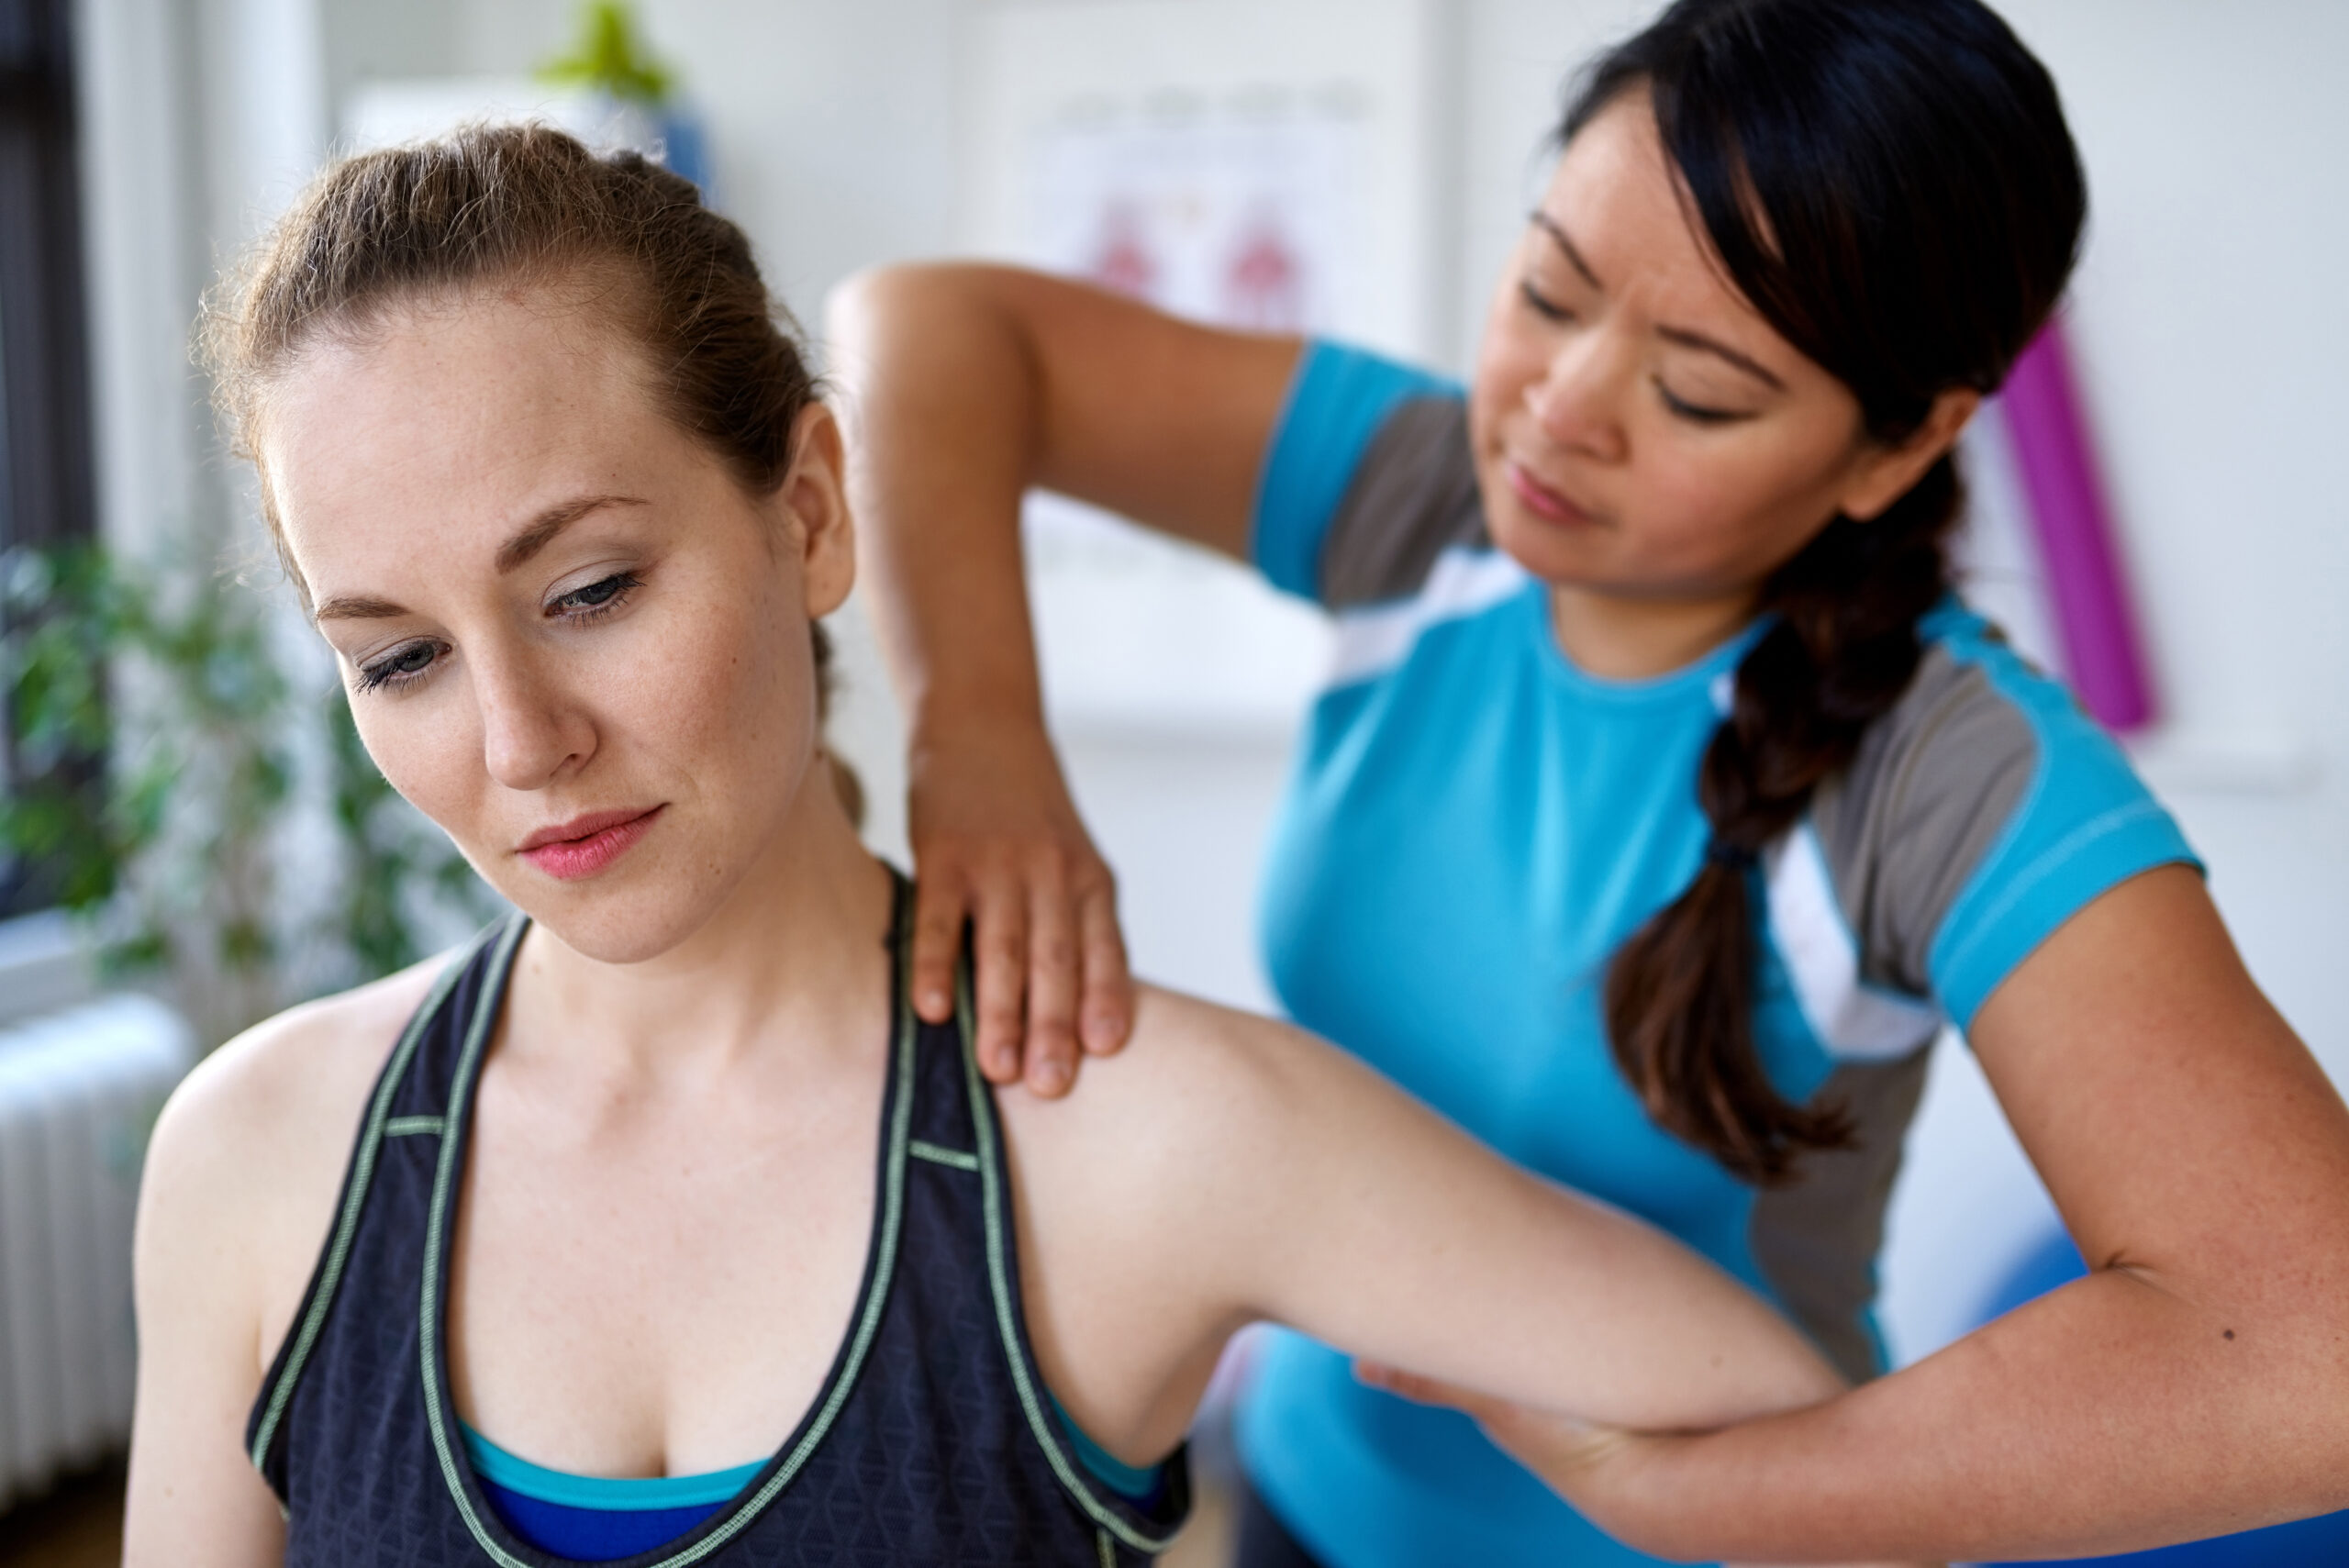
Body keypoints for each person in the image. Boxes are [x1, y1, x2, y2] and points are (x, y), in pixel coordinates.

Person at [118, 124, 1874, 1568]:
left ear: (810, 512)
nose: (520, 744)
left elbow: (1795, 1421)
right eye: (399, 658)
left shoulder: (1136, 1134)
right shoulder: (260, 1162)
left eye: (588, 591)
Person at [824, 0, 2349, 1562]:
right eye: (1551, 287)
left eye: (1697, 391)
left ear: (1897, 447)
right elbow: (922, 329)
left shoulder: (1948, 770)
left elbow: (2313, 1345)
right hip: (1302, 1498)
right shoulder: (1423, 504)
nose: (1561, 406)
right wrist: (979, 732)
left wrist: (1701, 1503)